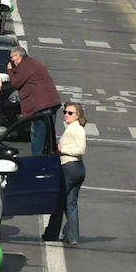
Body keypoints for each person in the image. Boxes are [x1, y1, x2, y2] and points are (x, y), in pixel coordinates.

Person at [2, 47, 61, 157]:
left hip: (41, 105)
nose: (11, 61)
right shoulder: (33, 63)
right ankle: (47, 157)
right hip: (51, 102)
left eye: (12, 58)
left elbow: (16, 83)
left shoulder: (25, 65)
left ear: (18, 56)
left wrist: (10, 70)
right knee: (49, 135)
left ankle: (36, 159)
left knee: (38, 135)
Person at [43, 102, 87, 246]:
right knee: (70, 204)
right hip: (76, 168)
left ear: (78, 115)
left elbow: (81, 149)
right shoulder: (72, 128)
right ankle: (72, 236)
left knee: (58, 202)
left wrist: (62, 148)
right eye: (65, 112)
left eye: (70, 113)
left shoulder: (77, 129)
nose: (66, 115)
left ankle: (52, 233)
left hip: (70, 167)